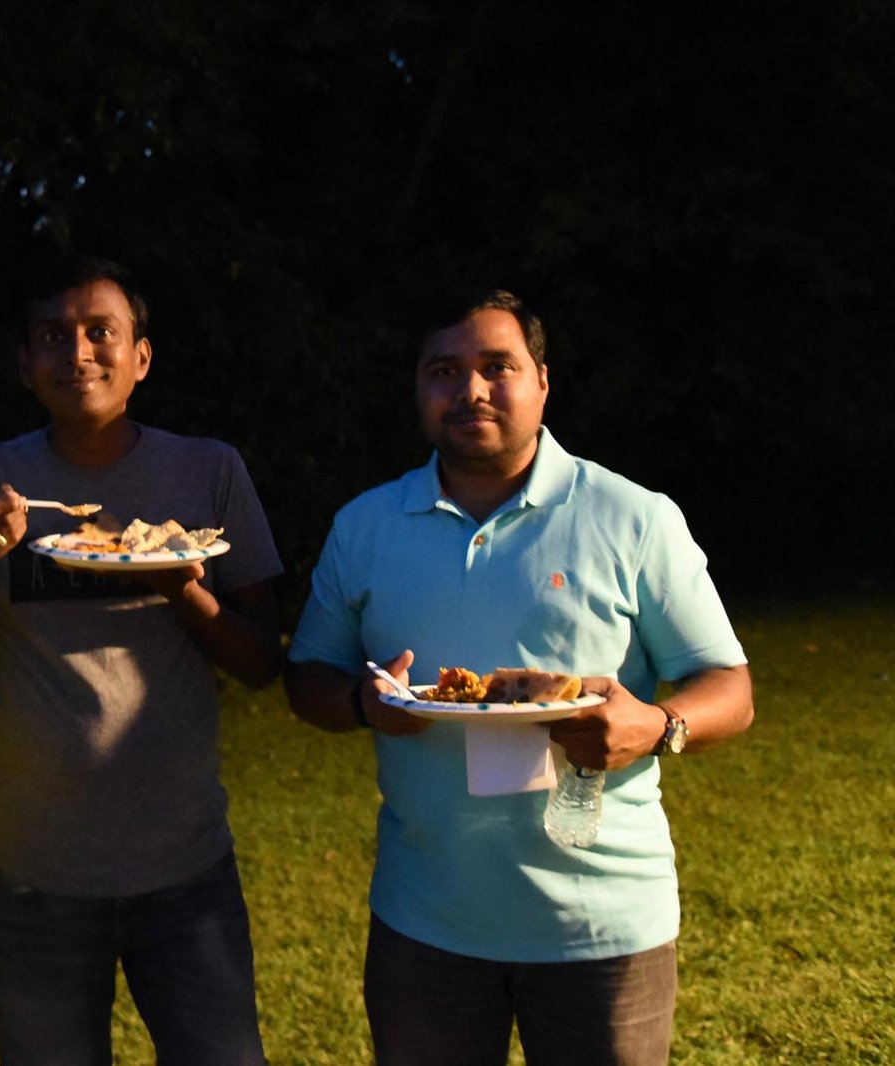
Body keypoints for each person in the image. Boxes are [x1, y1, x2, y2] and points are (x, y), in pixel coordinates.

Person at [284, 288, 754, 1066]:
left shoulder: (633, 517)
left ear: (542, 380)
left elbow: (729, 686)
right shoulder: (366, 526)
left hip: (602, 930)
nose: (470, 389)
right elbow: (308, 677)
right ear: (417, 388)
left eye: (496, 367)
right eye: (443, 371)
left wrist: (658, 727)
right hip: (424, 923)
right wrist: (362, 704)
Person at [0, 255, 282, 1065]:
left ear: (142, 356)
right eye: (53, 337)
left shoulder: (208, 471)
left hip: (187, 869)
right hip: (37, 877)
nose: (78, 352)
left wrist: (179, 589)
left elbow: (262, 660)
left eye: (102, 332)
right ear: (25, 363)